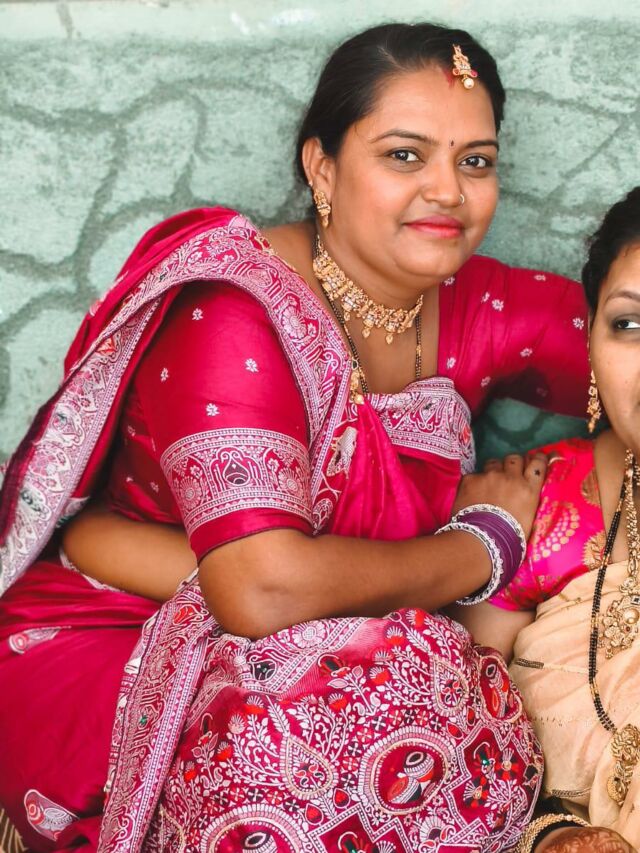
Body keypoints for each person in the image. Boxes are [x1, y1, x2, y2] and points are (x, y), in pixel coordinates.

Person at [0, 21, 603, 853]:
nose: (448, 191)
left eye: (475, 161)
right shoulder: (236, 311)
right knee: (369, 703)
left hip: (330, 646)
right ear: (322, 166)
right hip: (119, 642)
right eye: (404, 155)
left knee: (406, 691)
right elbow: (261, 591)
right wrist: (483, 544)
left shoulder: (472, 305)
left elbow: (620, 353)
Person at [454, 187, 640, 852]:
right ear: (591, 340)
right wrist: (552, 836)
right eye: (631, 324)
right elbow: (465, 762)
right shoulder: (533, 509)